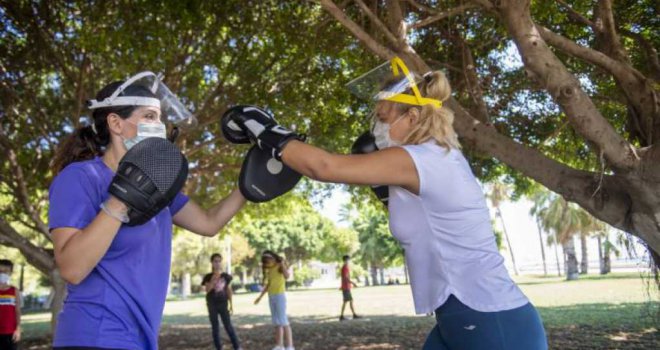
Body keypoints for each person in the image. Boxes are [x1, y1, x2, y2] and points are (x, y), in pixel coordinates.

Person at [224, 57, 548, 349]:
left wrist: (261, 126)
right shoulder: (434, 161)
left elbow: (324, 167)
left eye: (383, 117)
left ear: (414, 116)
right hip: (462, 319)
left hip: (492, 322)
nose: (377, 127)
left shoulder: (421, 159)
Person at [48, 72, 246, 350]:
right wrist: (121, 198)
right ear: (116, 123)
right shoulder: (81, 177)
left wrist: (248, 186)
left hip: (140, 338)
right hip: (94, 334)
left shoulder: (157, 187)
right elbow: (72, 268)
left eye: (160, 118)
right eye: (150, 117)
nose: (159, 126)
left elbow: (209, 223)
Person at [254, 251, 294, 350]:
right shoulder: (269, 271)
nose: (267, 265)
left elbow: (287, 276)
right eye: (265, 263)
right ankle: (279, 346)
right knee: (277, 322)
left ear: (273, 259)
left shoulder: (280, 266)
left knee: (283, 321)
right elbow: (268, 285)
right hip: (271, 296)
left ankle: (290, 346)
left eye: (268, 262)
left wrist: (282, 265)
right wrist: (260, 297)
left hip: (279, 296)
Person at [202, 253, 241, 350]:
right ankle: (218, 347)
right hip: (212, 304)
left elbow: (228, 290)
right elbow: (207, 290)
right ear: (212, 263)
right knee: (215, 327)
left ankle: (237, 347)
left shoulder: (226, 276)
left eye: (219, 261)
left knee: (228, 326)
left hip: (223, 304)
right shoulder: (208, 276)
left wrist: (231, 304)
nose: (217, 263)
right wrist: (213, 280)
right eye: (215, 261)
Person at [0, 259, 20, 350]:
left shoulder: (14, 290)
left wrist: (18, 329)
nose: (2, 274)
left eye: (5, 271)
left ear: (10, 273)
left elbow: (17, 311)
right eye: (0, 271)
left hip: (10, 332)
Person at [339, 255, 360, 321]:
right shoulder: (344, 268)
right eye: (348, 260)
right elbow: (346, 278)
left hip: (346, 286)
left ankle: (352, 314)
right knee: (348, 301)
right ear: (345, 260)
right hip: (346, 287)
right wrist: (352, 283)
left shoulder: (346, 267)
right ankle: (345, 316)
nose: (349, 261)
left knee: (348, 301)